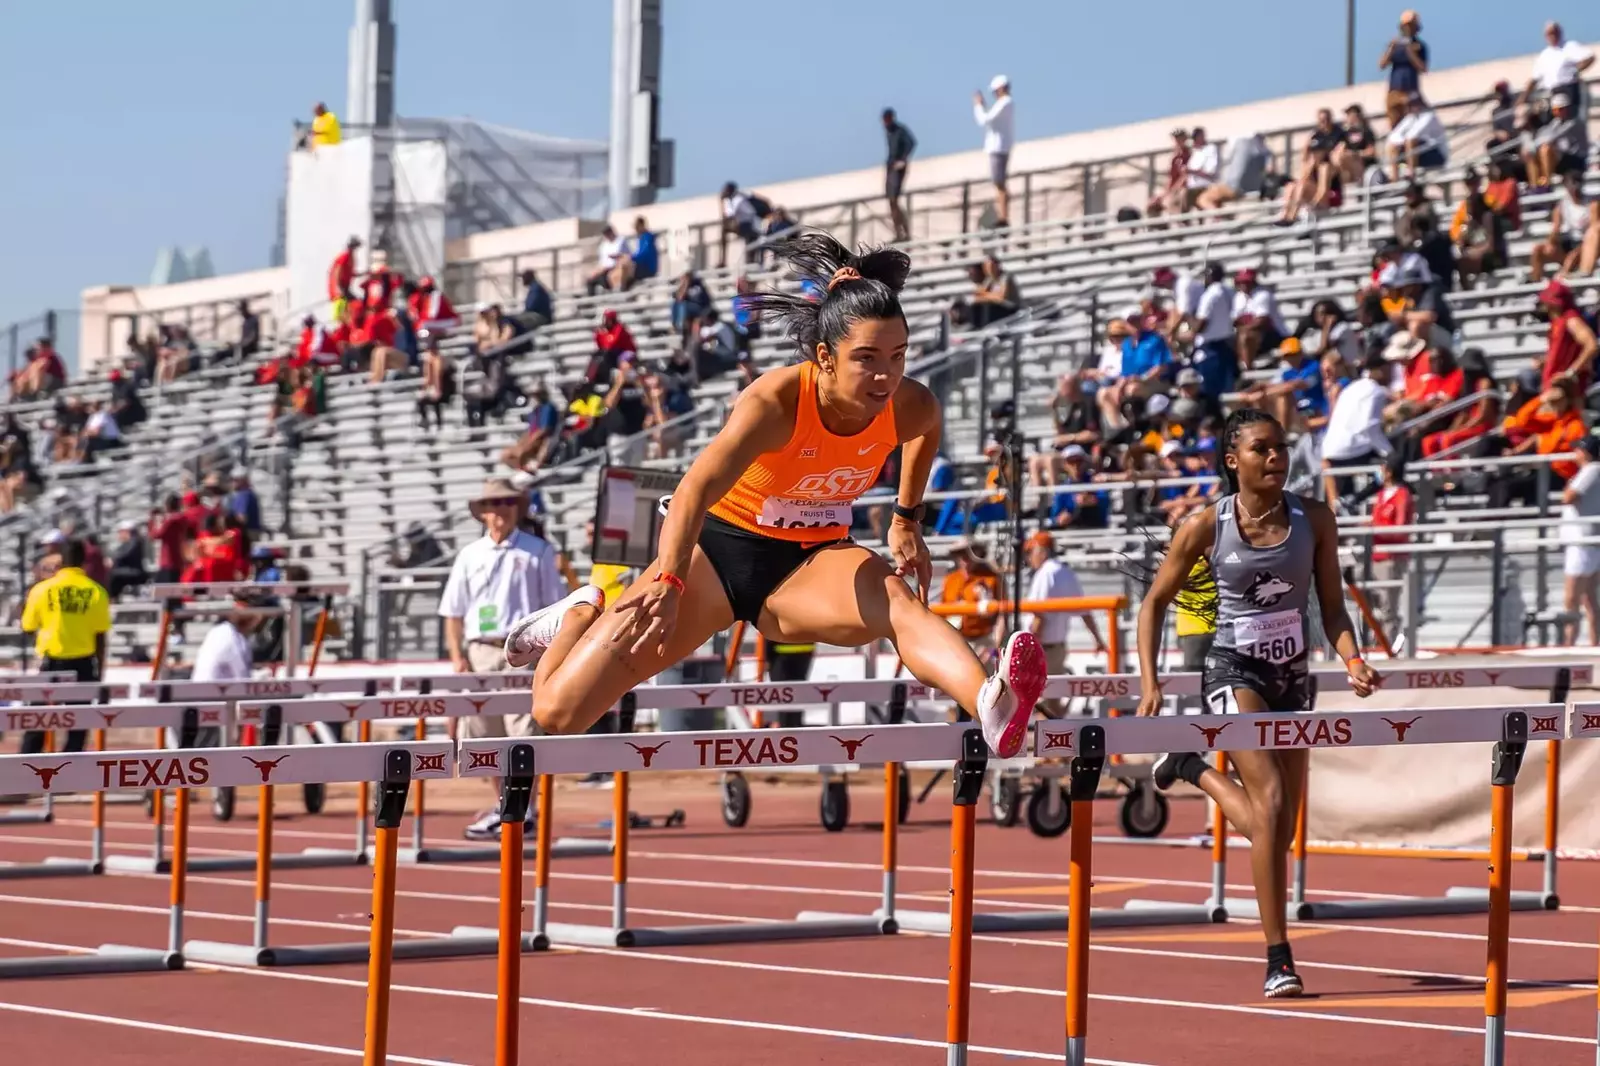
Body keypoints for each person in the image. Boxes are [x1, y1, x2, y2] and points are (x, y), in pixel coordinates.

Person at [501, 230, 1048, 758]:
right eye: (868, 359)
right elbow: (692, 490)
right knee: (559, 714)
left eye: (898, 356)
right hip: (712, 556)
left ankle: (990, 700)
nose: (886, 377)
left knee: (898, 604)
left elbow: (927, 430)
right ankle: (581, 611)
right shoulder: (775, 403)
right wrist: (668, 578)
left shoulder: (909, 404)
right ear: (824, 356)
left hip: (810, 562)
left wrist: (906, 518)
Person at [1135, 408, 1382, 999]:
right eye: (1261, 450)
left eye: (1281, 448)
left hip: (1293, 676)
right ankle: (1279, 958)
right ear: (1233, 460)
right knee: (1268, 803)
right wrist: (1152, 682)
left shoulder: (1315, 518)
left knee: (1281, 829)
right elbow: (1154, 604)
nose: (1276, 459)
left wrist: (1352, 659)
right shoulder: (1204, 526)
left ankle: (1190, 768)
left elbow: (1331, 604)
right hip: (1232, 671)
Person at [437, 478, 568, 840]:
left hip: (524, 647)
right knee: (482, 735)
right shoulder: (469, 555)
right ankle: (503, 805)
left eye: (508, 503)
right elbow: (453, 611)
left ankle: (526, 810)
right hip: (479, 650)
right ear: (483, 512)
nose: (501, 511)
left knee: (523, 730)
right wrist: (456, 656)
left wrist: (548, 655)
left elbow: (556, 609)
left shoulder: (537, 551)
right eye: (494, 504)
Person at [19, 539, 112, 756]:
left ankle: (25, 767)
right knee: (78, 722)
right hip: (83, 662)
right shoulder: (96, 591)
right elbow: (100, 636)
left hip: (51, 661)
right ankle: (71, 772)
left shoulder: (42, 589)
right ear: (83, 560)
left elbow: (28, 626)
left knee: (38, 719)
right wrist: (101, 671)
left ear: (61, 560)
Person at [1022, 531, 1105, 716]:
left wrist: (1030, 649)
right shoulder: (1065, 571)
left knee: (1035, 700)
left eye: (1030, 551)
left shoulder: (1046, 573)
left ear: (1042, 551)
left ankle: (1052, 740)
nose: (1028, 557)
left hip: (1041, 647)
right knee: (1051, 700)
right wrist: (1097, 639)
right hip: (1057, 647)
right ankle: (1061, 735)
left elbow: (1039, 614)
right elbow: (1084, 611)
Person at [1559, 437, 1600, 645]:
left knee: (1572, 599)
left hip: (1582, 542)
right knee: (1589, 599)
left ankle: (1569, 644)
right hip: (1587, 541)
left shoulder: (1592, 469)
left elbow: (1569, 497)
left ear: (1585, 452)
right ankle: (1594, 643)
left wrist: (1568, 488)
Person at [973, 76, 1014, 227]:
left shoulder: (1005, 103)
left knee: (999, 183)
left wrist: (978, 106)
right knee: (999, 184)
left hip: (998, 148)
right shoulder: (1005, 104)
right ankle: (1003, 214)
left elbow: (984, 119)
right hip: (1000, 146)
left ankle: (1003, 216)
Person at [882, 108, 916, 242]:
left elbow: (912, 143)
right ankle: (898, 232)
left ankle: (905, 232)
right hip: (890, 167)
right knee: (891, 201)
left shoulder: (900, 130)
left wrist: (903, 159)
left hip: (898, 167)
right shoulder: (889, 133)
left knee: (894, 199)